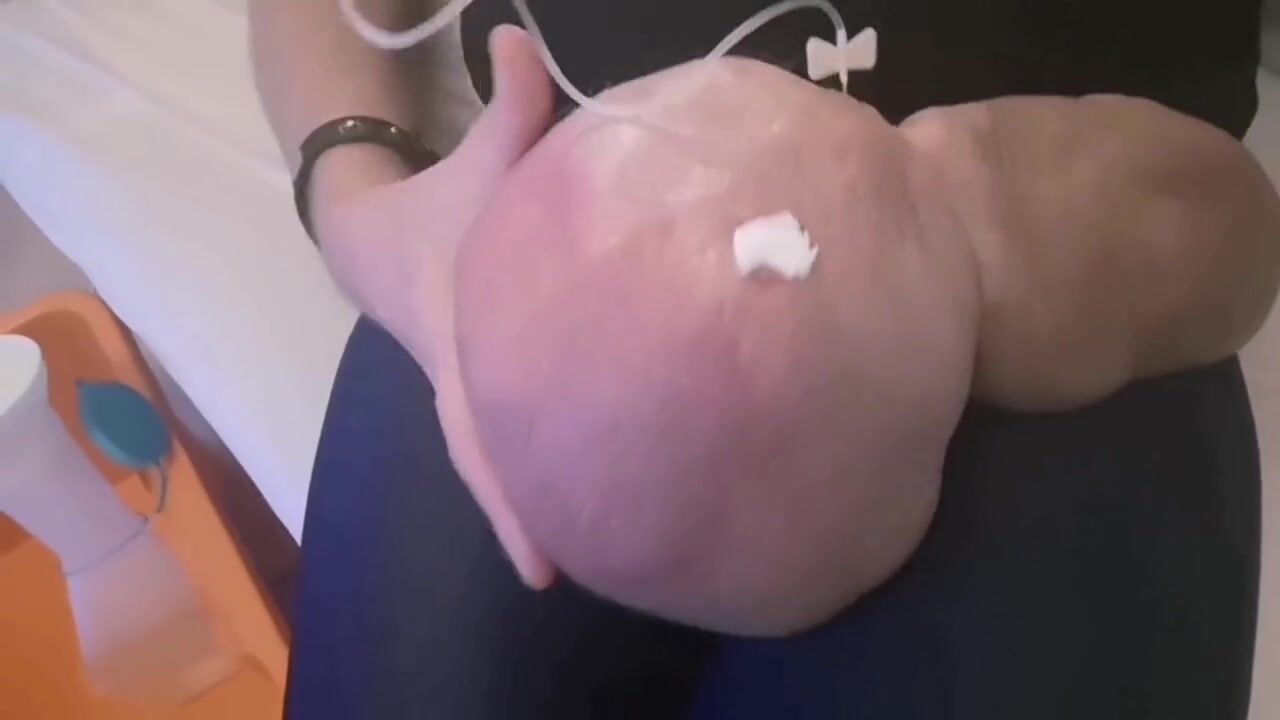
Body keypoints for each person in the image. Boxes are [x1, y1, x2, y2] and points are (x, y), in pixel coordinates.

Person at [249, 0, 1279, 717]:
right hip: (547, 253)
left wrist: (965, 209)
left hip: (1050, 263)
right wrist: (357, 201)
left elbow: (1229, 234)